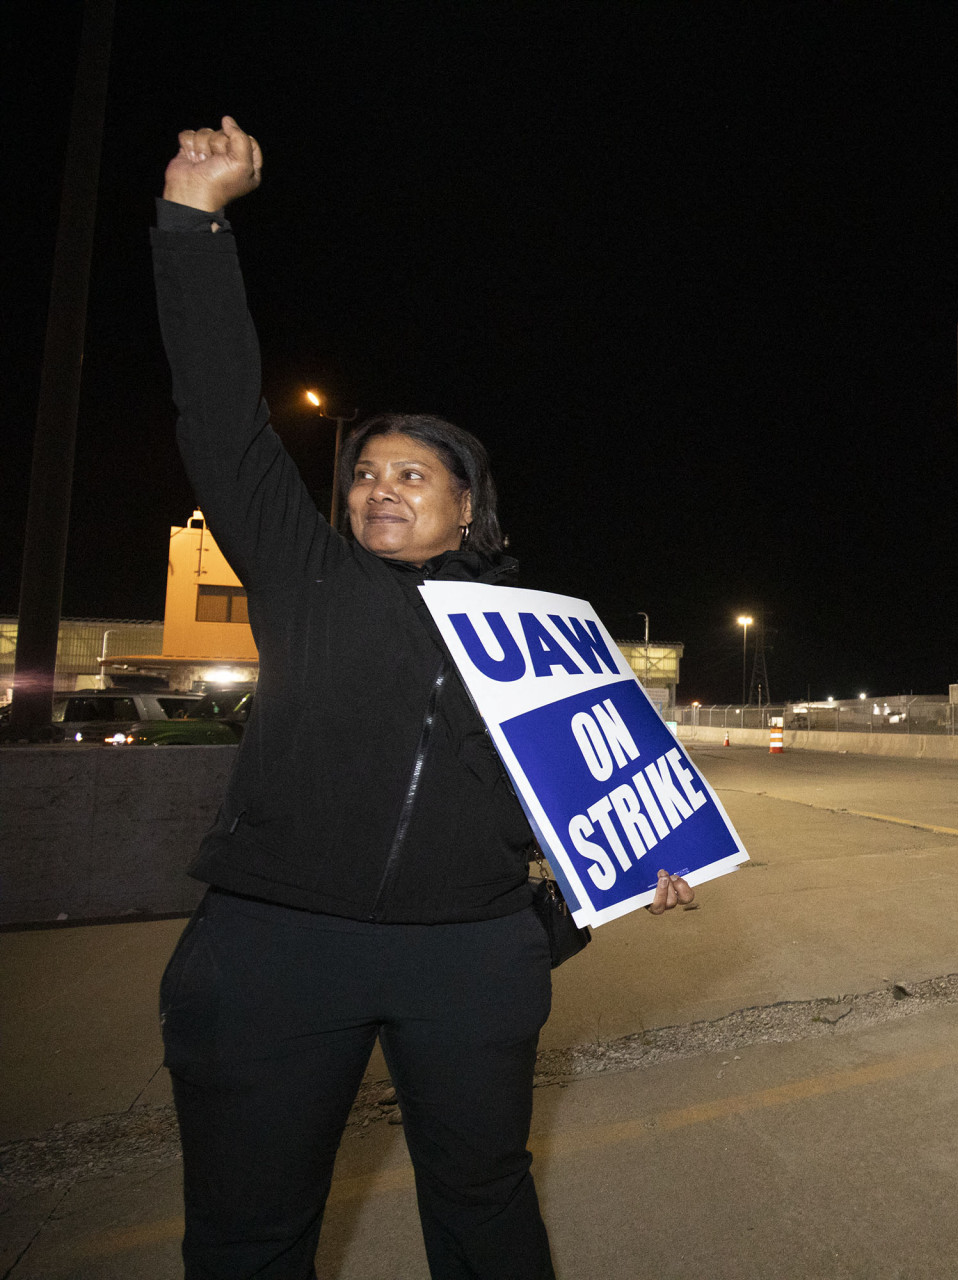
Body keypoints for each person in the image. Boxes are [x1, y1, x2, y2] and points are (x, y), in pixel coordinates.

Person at [151, 117, 695, 1279]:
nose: (377, 488)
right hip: (274, 947)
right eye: (364, 473)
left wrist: (584, 901)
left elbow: (610, 793)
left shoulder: (547, 631)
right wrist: (195, 222)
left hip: (470, 959)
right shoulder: (306, 575)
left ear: (468, 510)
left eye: (412, 474)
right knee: (251, 1227)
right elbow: (219, 415)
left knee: (487, 1203)